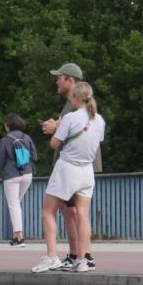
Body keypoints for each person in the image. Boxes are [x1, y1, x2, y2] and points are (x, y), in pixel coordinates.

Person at [33, 83, 105, 273]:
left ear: (74, 97)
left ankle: (51, 257)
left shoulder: (70, 117)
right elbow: (95, 144)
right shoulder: (99, 120)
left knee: (48, 212)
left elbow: (54, 143)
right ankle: (82, 259)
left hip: (67, 168)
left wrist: (56, 128)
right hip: (87, 170)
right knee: (82, 215)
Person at [0, 113, 38, 246]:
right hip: (27, 174)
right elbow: (34, 156)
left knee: (13, 205)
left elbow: (0, 161)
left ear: (8, 126)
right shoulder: (27, 138)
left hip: (11, 176)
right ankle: (16, 236)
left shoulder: (5, 140)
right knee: (16, 204)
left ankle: (20, 237)